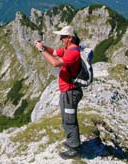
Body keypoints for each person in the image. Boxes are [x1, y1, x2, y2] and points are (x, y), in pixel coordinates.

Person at [35, 25, 83, 159]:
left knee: (69, 120)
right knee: (67, 119)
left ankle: (74, 149)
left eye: (63, 36)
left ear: (70, 38)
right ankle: (72, 142)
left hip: (70, 92)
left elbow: (55, 63)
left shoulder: (73, 52)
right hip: (67, 91)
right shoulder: (68, 49)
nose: (60, 38)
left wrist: (40, 51)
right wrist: (43, 47)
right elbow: (55, 52)